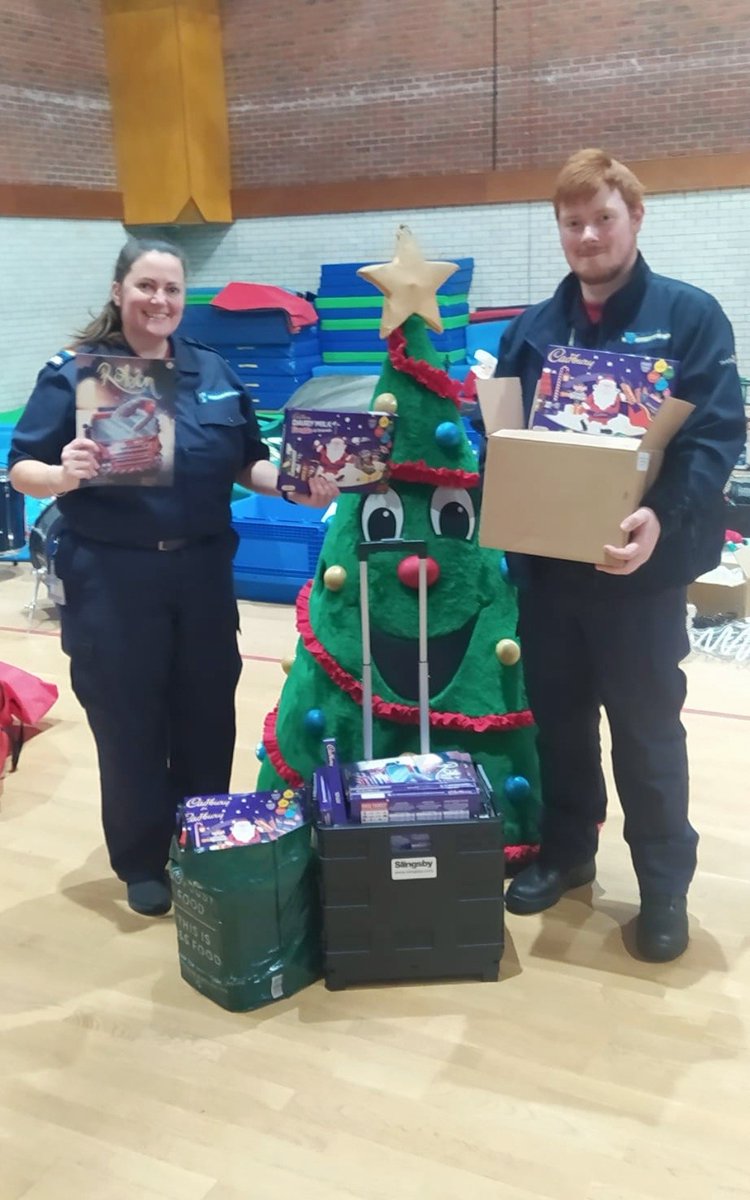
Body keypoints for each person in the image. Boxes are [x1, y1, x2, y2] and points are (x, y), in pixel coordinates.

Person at [9, 237, 336, 917]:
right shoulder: (78, 375)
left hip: (203, 573)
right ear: (119, 291)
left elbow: (249, 460)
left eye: (172, 290)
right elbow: (22, 469)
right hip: (112, 576)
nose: (160, 301)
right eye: (146, 287)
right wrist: (63, 475)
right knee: (129, 723)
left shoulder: (211, 371)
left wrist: (295, 486)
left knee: (206, 716)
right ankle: (140, 860)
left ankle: (200, 841)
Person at [489, 150, 746, 961]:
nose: (589, 235)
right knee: (559, 727)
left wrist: (660, 521)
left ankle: (663, 886)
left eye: (603, 218)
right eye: (573, 223)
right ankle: (568, 854)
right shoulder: (530, 330)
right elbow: (507, 441)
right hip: (550, 576)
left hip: (639, 577)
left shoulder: (691, 316)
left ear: (637, 217)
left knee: (646, 735)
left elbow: (712, 438)